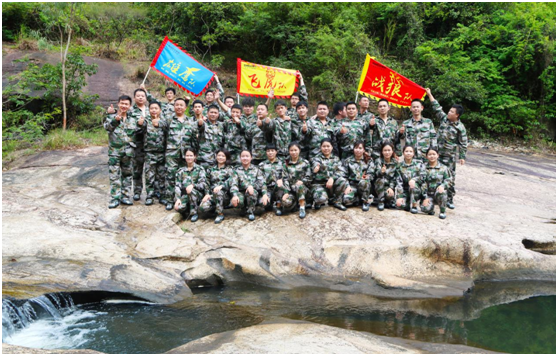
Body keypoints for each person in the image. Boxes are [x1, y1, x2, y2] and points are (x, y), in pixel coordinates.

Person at [425, 88, 468, 209]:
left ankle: (449, 199)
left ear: (457, 115)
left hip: (449, 156)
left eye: (451, 112)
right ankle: (431, 196)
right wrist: (429, 94)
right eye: (449, 110)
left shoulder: (460, 127)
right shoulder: (444, 119)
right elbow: (436, 107)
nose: (448, 113)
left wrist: (462, 157)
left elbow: (463, 143)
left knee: (449, 177)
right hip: (437, 154)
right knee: (432, 174)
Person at [104, 95, 141, 208]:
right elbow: (107, 128)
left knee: (127, 175)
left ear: (130, 106)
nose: (124, 106)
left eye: (126, 104)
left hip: (128, 153)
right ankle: (115, 198)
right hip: (115, 152)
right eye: (122, 103)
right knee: (114, 176)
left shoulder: (133, 119)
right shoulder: (111, 116)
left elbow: (140, 130)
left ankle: (125, 196)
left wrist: (142, 124)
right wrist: (115, 120)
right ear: (118, 104)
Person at [163, 98, 199, 210]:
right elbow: (163, 135)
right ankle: (169, 200)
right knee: (170, 176)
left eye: (181, 105)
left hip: (186, 154)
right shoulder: (168, 120)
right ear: (174, 107)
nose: (179, 107)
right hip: (172, 153)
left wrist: (194, 154)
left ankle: (185, 200)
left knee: (186, 177)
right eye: (177, 105)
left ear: (185, 107)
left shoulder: (190, 122)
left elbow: (194, 140)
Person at [199, 149, 239, 224]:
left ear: (226, 158)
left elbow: (233, 181)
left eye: (223, 156)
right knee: (202, 207)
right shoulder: (210, 169)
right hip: (212, 195)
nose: (220, 157)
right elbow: (206, 182)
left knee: (219, 192)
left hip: (225, 195)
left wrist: (222, 186)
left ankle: (220, 214)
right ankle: (216, 207)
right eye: (219, 155)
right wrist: (207, 194)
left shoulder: (230, 169)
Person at [139, 101, 168, 205]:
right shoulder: (145, 121)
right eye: (152, 108)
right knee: (149, 176)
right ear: (148, 110)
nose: (154, 110)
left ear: (160, 110)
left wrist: (159, 123)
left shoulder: (164, 121)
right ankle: (149, 196)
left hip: (161, 153)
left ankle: (162, 196)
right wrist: (140, 124)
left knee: (162, 176)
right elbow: (139, 132)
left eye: (156, 108)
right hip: (149, 153)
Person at [231, 150, 269, 221]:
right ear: (240, 158)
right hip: (241, 193)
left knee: (253, 193)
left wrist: (264, 194)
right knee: (238, 201)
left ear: (251, 158)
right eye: (243, 156)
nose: (245, 158)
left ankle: (250, 211)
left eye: (247, 156)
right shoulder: (236, 170)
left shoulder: (256, 169)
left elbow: (262, 183)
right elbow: (234, 184)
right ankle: (243, 208)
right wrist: (234, 195)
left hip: (253, 193)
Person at [310, 138, 348, 211]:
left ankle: (337, 201)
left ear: (332, 147)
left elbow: (341, 171)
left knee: (342, 180)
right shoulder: (316, 158)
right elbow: (314, 166)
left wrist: (332, 178)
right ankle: (318, 202)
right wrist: (316, 168)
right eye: (324, 146)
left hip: (331, 184)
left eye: (328, 146)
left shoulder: (336, 159)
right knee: (320, 199)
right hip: (320, 184)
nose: (326, 148)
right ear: (320, 147)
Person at [174, 148, 207, 222]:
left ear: (195, 156)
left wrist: (193, 185)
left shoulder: (200, 169)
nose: (189, 157)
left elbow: (203, 184)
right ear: (184, 157)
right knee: (178, 208)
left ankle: (194, 213)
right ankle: (187, 207)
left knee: (191, 191)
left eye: (191, 155)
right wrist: (178, 199)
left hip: (197, 195)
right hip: (185, 195)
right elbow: (177, 186)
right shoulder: (181, 171)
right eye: (187, 155)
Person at [341, 141, 375, 211]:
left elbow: (372, 174)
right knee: (346, 201)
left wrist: (367, 177)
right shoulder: (348, 161)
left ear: (364, 150)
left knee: (364, 182)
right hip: (352, 185)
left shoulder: (368, 160)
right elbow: (344, 175)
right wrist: (347, 186)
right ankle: (358, 199)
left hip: (364, 186)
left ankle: (365, 202)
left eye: (360, 148)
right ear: (353, 149)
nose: (358, 150)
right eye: (356, 148)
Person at [281, 142, 312, 218]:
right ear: (289, 151)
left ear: (299, 150)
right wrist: (286, 192)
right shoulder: (286, 163)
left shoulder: (305, 163)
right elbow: (284, 178)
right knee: (286, 203)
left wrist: (303, 181)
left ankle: (302, 207)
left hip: (303, 190)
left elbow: (309, 177)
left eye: (295, 150)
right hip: (291, 190)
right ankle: (296, 203)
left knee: (299, 186)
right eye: (291, 150)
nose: (294, 152)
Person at [421, 147, 451, 219]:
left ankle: (442, 211)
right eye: (430, 154)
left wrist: (443, 185)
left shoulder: (444, 168)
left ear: (438, 155)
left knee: (442, 192)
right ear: (426, 156)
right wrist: (425, 197)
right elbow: (422, 182)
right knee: (425, 208)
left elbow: (449, 180)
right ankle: (430, 208)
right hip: (428, 194)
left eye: (434, 154)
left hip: (438, 194)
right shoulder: (423, 167)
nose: (432, 156)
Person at [258, 144, 289, 215]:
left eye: (272, 151)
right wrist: (264, 194)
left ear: (276, 152)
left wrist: (283, 182)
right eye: (268, 151)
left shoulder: (282, 163)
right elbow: (261, 180)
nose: (270, 153)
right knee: (262, 203)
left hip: (278, 188)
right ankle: (269, 204)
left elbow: (286, 176)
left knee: (280, 187)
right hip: (267, 188)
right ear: (266, 152)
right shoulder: (262, 165)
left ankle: (278, 206)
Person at [396, 145, 425, 214]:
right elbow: (399, 182)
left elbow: (423, 176)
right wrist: (399, 196)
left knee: (413, 186)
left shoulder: (419, 164)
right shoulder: (399, 166)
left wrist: (414, 180)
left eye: (410, 151)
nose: (408, 153)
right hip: (406, 191)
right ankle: (407, 202)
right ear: (403, 153)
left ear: (413, 153)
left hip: (417, 190)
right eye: (406, 151)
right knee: (400, 205)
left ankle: (415, 205)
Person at [374, 142, 402, 211]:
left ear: (392, 151)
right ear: (382, 152)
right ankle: (380, 201)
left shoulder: (395, 163)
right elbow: (375, 175)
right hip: (377, 187)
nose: (387, 152)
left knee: (390, 196)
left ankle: (385, 201)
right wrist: (381, 172)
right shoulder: (378, 161)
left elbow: (396, 178)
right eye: (385, 150)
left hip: (388, 187)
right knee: (380, 179)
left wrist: (391, 187)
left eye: (389, 150)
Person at [197, 104, 225, 169]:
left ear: (218, 114)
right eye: (211, 112)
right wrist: (200, 120)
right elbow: (199, 126)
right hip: (204, 159)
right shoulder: (204, 123)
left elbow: (229, 115)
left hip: (217, 159)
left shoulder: (221, 125)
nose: (213, 114)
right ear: (207, 113)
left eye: (215, 113)